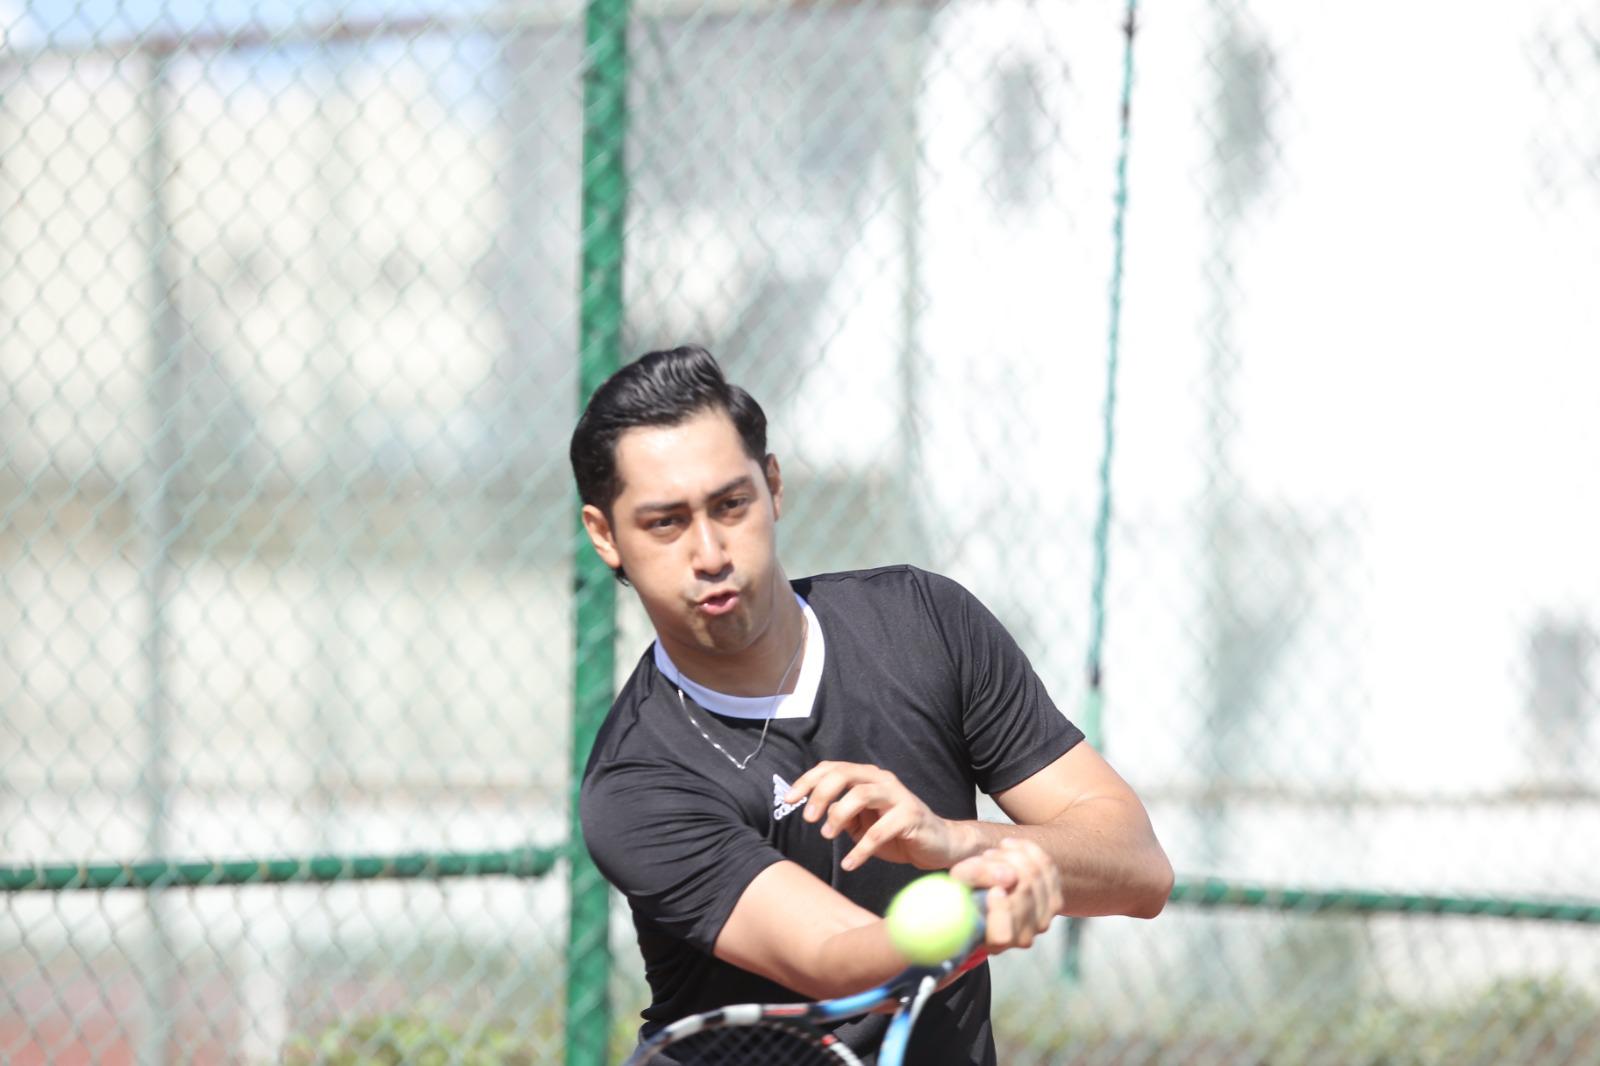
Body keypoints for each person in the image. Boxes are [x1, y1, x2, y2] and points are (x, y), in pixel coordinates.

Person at [573, 346, 1173, 1065]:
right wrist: (970, 913)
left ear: (773, 488)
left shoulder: (926, 623)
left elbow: (1139, 867)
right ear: (606, 536)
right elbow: (831, 951)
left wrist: (956, 844)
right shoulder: (637, 782)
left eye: (731, 504)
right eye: (666, 523)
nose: (709, 552)